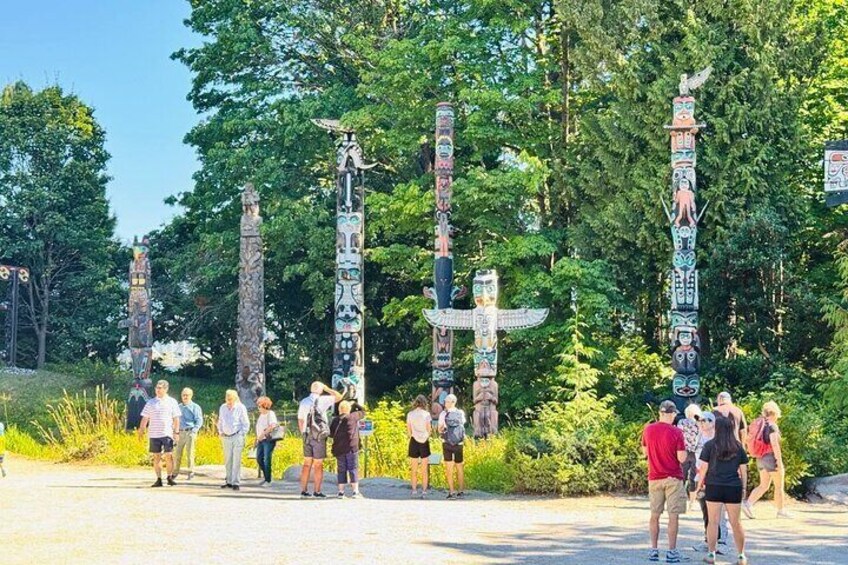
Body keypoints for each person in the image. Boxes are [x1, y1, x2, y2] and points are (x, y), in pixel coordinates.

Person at [696, 416, 749, 565]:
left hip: (714, 485)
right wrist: (744, 487)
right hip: (733, 486)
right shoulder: (738, 447)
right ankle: (741, 556)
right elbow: (744, 470)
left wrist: (699, 485)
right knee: (736, 522)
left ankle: (711, 554)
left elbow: (703, 468)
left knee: (713, 522)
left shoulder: (709, 445)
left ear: (716, 428)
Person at [641, 400, 688, 564]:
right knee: (673, 516)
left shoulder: (648, 429)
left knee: (654, 515)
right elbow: (681, 458)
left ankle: (654, 549)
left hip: (654, 477)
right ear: (672, 414)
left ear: (660, 413)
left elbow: (644, 452)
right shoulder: (677, 432)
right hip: (673, 477)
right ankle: (671, 551)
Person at [743, 400, 790, 519]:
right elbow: (774, 444)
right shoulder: (772, 426)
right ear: (775, 413)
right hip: (770, 457)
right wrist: (779, 461)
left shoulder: (761, 424)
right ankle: (781, 511)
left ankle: (748, 504)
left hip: (760, 458)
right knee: (779, 485)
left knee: (763, 485)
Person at [691, 412, 729, 555]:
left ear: (713, 423)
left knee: (719, 513)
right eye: (700, 420)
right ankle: (708, 540)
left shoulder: (718, 440)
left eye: (705, 420)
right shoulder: (699, 437)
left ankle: (722, 541)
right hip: (701, 477)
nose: (702, 423)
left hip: (716, 478)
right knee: (705, 511)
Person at [297, 381, 343, 498]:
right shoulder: (323, 400)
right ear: (321, 390)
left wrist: (303, 433)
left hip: (307, 435)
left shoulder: (304, 401)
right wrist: (327, 388)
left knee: (307, 464)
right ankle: (317, 491)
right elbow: (339, 397)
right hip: (319, 436)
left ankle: (304, 491)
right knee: (318, 464)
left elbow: (300, 420)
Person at [137, 379, 181, 487]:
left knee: (168, 455)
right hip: (154, 433)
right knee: (156, 456)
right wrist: (141, 430)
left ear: (166, 389)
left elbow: (176, 418)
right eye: (157, 388)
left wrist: (176, 432)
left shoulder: (172, 402)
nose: (158, 390)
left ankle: (169, 477)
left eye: (160, 388)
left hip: (167, 433)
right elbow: (145, 418)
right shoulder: (150, 402)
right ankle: (159, 479)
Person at [329, 400, 365, 498]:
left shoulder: (335, 420)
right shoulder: (353, 417)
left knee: (341, 470)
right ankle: (355, 492)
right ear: (349, 409)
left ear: (339, 409)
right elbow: (363, 411)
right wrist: (354, 404)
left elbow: (331, 434)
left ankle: (341, 492)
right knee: (353, 468)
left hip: (339, 449)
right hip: (351, 448)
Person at [217, 389, 250, 491]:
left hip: (237, 436)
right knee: (228, 460)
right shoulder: (223, 407)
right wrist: (220, 432)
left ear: (235, 399)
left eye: (230, 399)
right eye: (227, 399)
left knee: (236, 460)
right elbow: (220, 421)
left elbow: (246, 423)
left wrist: (241, 434)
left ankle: (236, 482)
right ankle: (229, 481)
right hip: (225, 436)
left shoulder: (240, 407)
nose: (229, 401)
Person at [438, 394, 467, 500]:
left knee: (449, 468)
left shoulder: (443, 414)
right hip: (459, 443)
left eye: (446, 401)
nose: (445, 403)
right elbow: (462, 425)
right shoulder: (460, 413)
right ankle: (461, 490)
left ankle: (451, 491)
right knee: (459, 467)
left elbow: (440, 429)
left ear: (452, 402)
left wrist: (442, 429)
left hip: (447, 443)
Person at [173, 387, 203, 480]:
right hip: (179, 432)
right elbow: (175, 419)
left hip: (190, 431)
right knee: (177, 454)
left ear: (191, 396)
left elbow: (199, 420)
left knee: (190, 453)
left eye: (187, 395)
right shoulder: (178, 407)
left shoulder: (195, 407)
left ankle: (191, 472)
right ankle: (175, 472)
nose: (185, 397)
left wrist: (194, 431)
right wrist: (174, 431)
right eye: (183, 395)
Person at [407, 394, 433, 498]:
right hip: (424, 441)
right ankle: (424, 491)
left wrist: (414, 435)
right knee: (424, 469)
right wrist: (425, 436)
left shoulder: (410, 414)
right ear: (424, 403)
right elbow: (429, 429)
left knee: (414, 469)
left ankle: (414, 490)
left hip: (414, 441)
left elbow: (409, 431)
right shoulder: (426, 414)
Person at [678, 404, 702, 509]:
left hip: (684, 451)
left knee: (681, 476)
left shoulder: (681, 422)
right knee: (693, 477)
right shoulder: (700, 423)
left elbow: (678, 435)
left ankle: (679, 500)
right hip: (696, 452)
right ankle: (692, 502)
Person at [254, 396, 281, 487]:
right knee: (259, 458)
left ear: (264, 406)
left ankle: (268, 480)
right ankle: (267, 477)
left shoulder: (270, 414)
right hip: (261, 440)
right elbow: (259, 428)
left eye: (259, 406)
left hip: (268, 440)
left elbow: (272, 425)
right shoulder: (261, 415)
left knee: (267, 459)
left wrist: (263, 434)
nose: (258, 408)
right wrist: (257, 438)